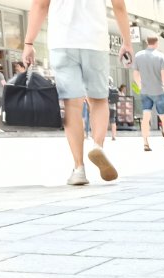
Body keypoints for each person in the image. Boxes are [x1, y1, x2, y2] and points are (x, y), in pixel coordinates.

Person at [22, 0, 133, 186]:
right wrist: (127, 42)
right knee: (98, 100)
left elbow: (40, 5)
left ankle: (79, 169)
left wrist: (29, 42)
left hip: (62, 42)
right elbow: (119, 6)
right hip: (95, 41)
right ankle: (98, 146)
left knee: (71, 104)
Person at [133, 35, 164, 151]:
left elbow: (135, 75)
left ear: (147, 42)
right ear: (157, 43)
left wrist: (141, 86)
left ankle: (145, 143)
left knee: (146, 117)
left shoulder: (138, 56)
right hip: (159, 91)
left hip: (145, 92)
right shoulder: (161, 56)